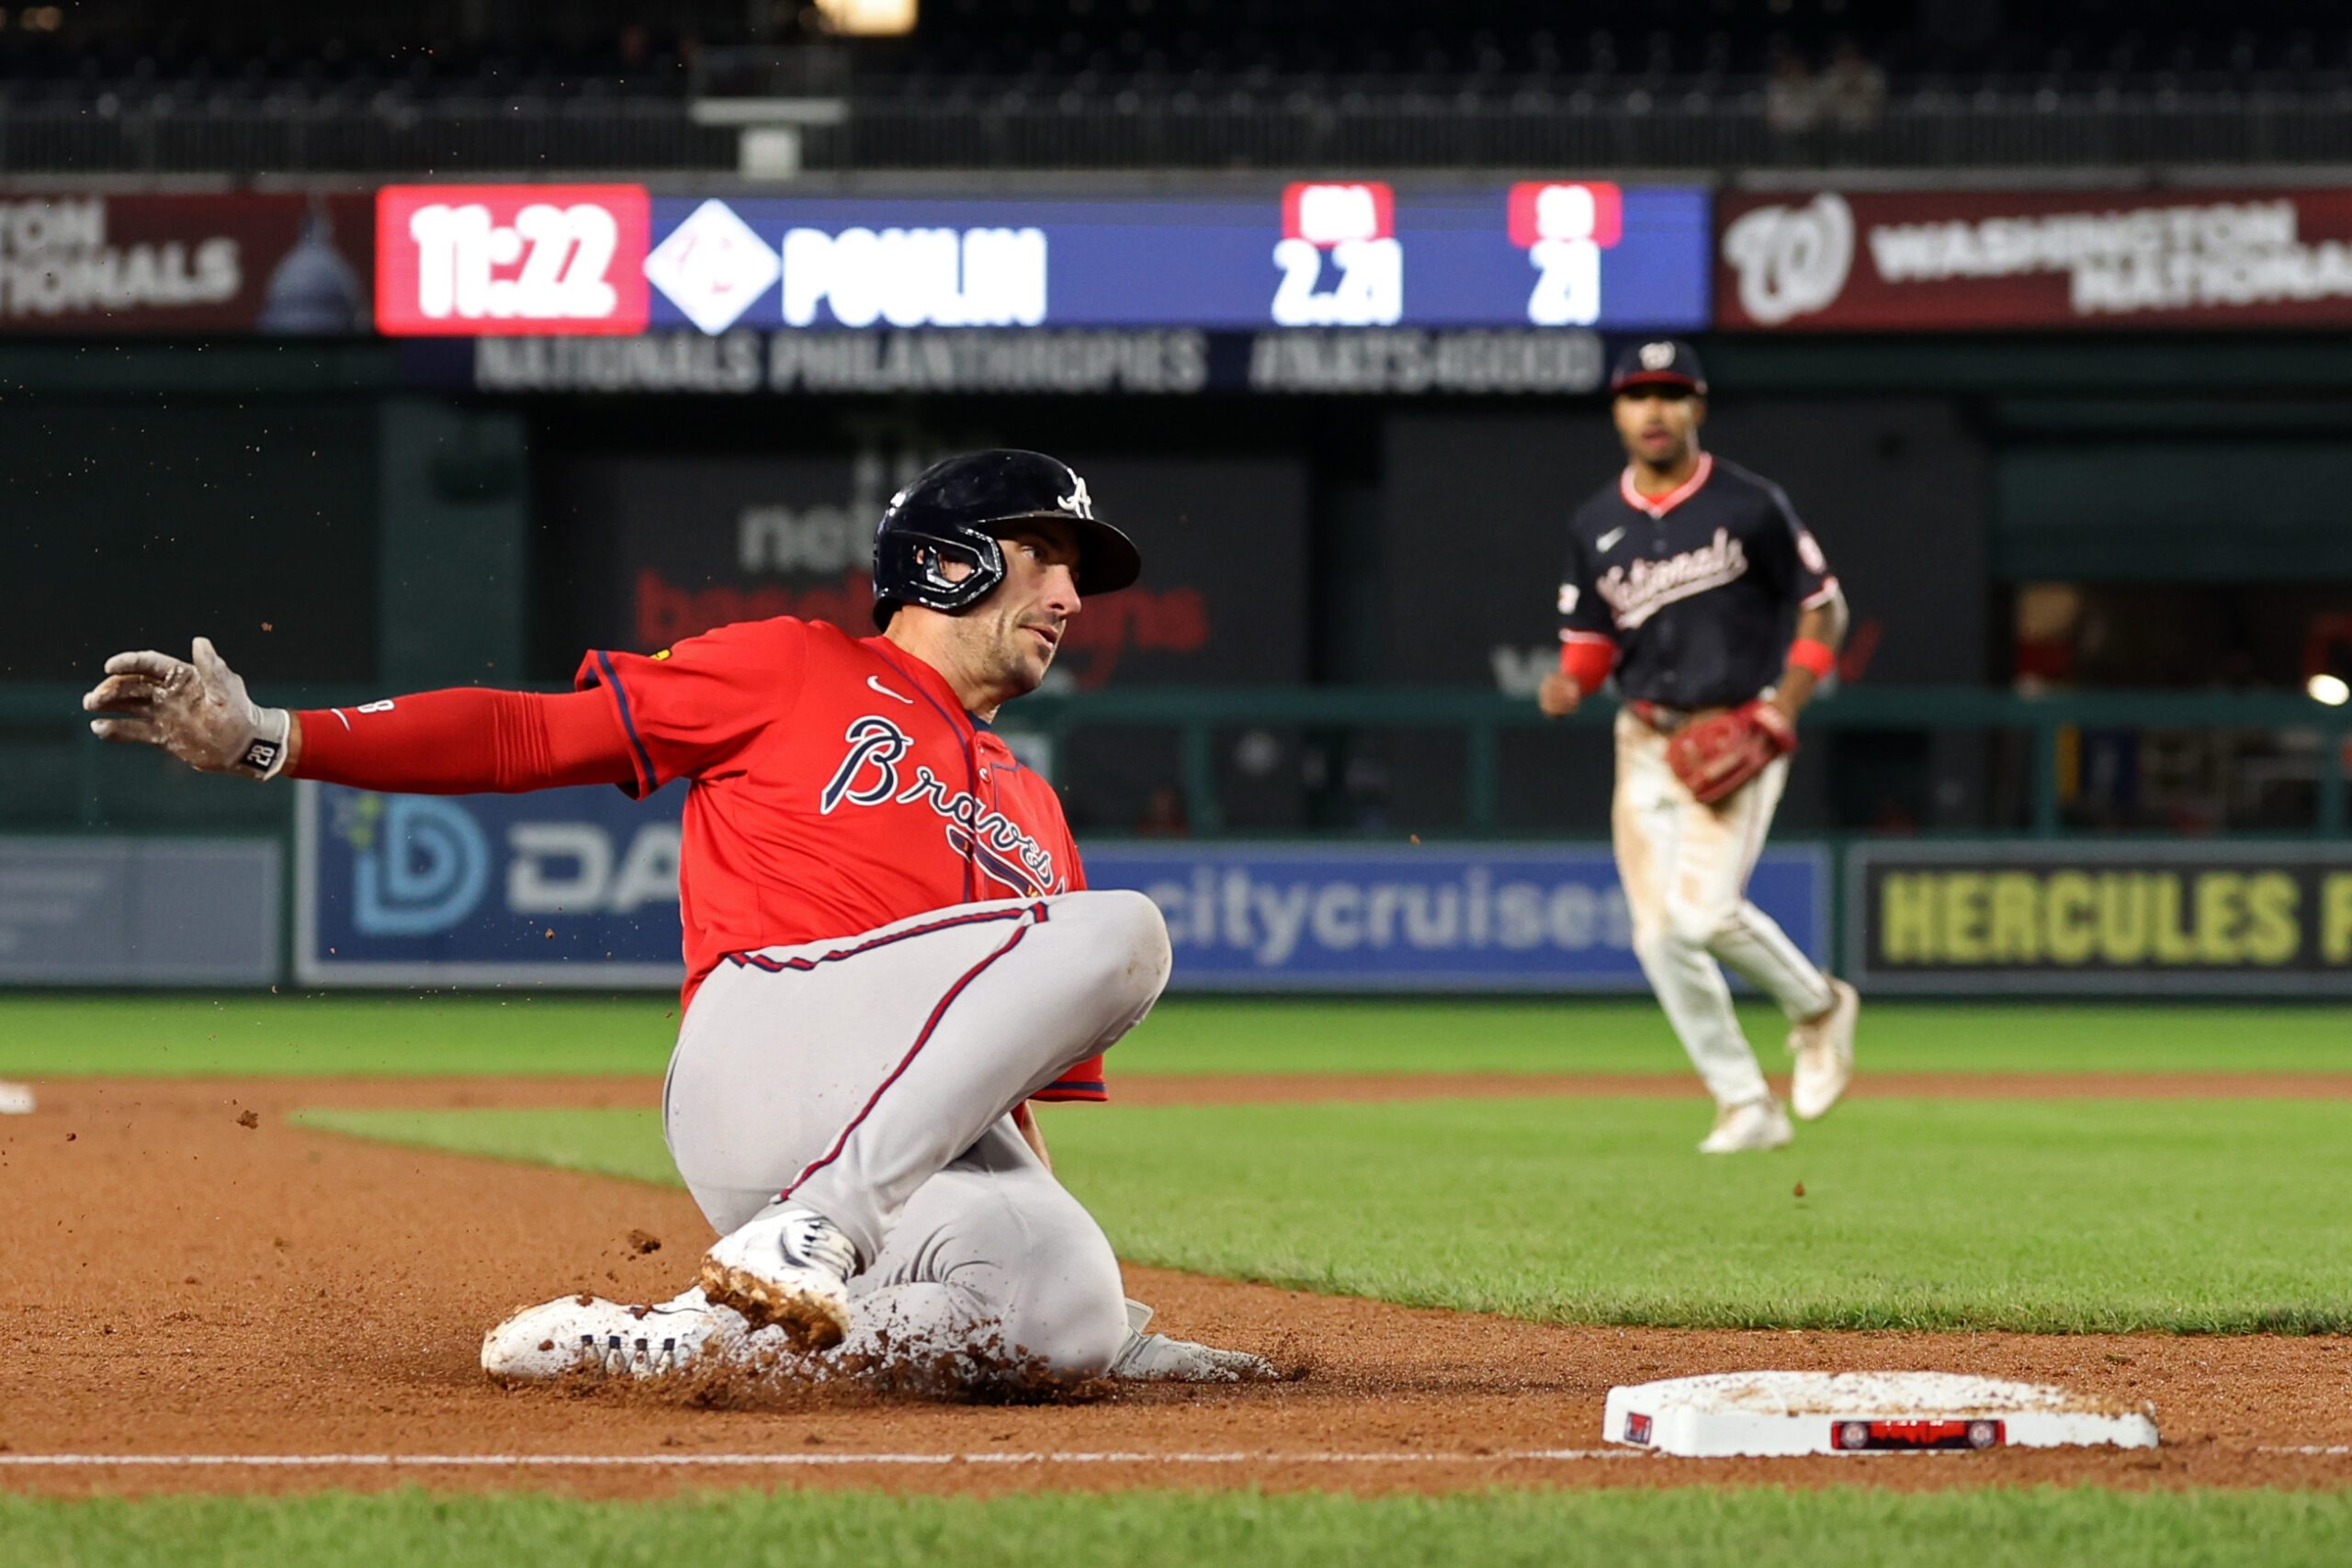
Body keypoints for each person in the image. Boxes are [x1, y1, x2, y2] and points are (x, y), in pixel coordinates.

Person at [83, 449, 1267, 1387]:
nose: (1069, 596)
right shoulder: (789, 666)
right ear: (949, 563)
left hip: (891, 1155)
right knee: (1127, 933)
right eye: (1042, 556)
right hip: (770, 1053)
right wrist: (272, 737)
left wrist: (1096, 1313)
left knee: (1055, 1314)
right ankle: (817, 1229)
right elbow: (528, 733)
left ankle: (686, 1335)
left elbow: (995, 1091)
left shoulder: (1033, 803)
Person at [1538, 343, 1860, 1154]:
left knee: (1707, 913)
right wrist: (1573, 682)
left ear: (1697, 407)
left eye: (1671, 393)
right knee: (1658, 936)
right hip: (1644, 738)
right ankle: (1746, 1101)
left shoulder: (1751, 504)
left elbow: (1824, 611)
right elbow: (1591, 640)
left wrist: (1785, 707)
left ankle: (1819, 1006)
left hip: (1741, 729)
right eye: (1639, 394)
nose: (1655, 408)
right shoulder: (1594, 523)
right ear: (1618, 411)